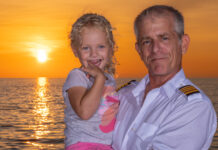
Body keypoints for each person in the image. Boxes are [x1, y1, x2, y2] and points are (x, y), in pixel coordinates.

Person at [112, 5, 217, 150]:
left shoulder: (193, 107)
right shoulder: (122, 96)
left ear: (183, 44)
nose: (155, 49)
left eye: (165, 38)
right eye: (147, 41)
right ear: (139, 50)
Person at [63, 13, 119, 150]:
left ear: (111, 49)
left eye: (101, 46)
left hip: (106, 145)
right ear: (75, 50)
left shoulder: (109, 80)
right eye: (86, 48)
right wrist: (99, 79)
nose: (94, 54)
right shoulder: (77, 76)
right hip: (82, 144)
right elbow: (84, 112)